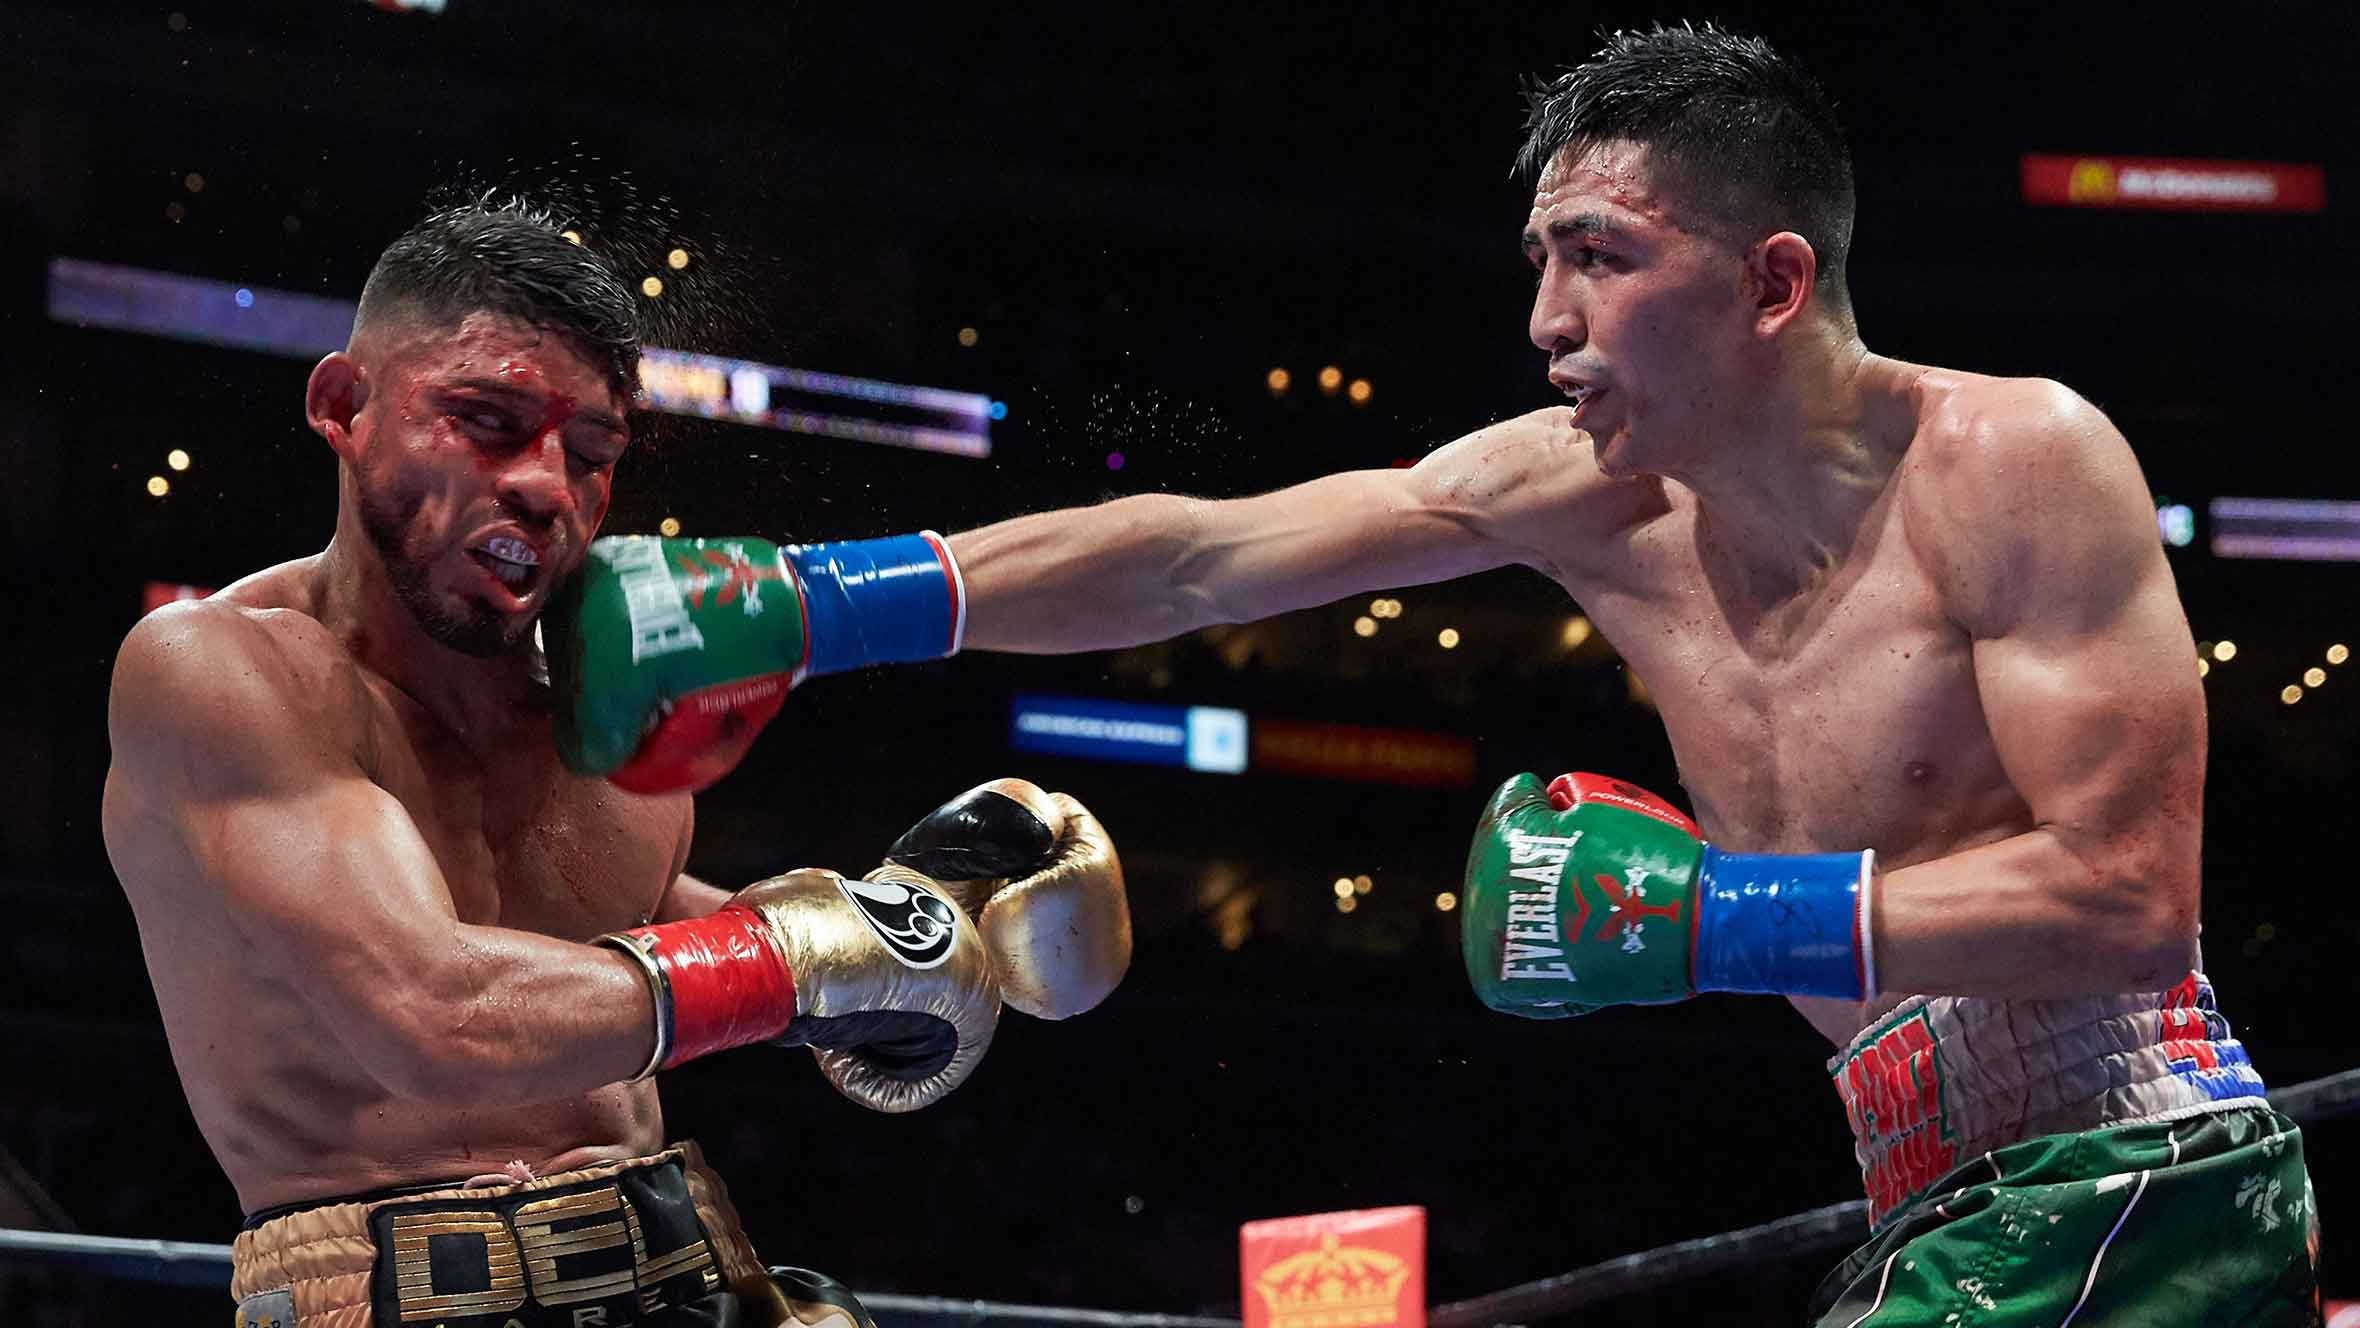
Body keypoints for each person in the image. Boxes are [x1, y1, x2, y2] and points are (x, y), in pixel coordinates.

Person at [767, 23, 2312, 1325]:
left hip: (2133, 1170)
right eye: (1540, 258)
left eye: (1599, 257)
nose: (1546, 320)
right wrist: (817, 604)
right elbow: (1200, 558)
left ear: (1774, 284)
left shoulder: (2011, 460)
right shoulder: (1587, 491)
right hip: (1938, 1189)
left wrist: (1706, 916)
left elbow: (2129, 904)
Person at [99, 197, 1129, 1328]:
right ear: (345, 405)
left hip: (684, 1263)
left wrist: (925, 926)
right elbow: (440, 1011)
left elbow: (624, 940)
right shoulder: (222, 670)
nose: (548, 486)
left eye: (590, 453)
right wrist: (801, 961)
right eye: (487, 420)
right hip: (396, 1291)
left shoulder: (600, 695)